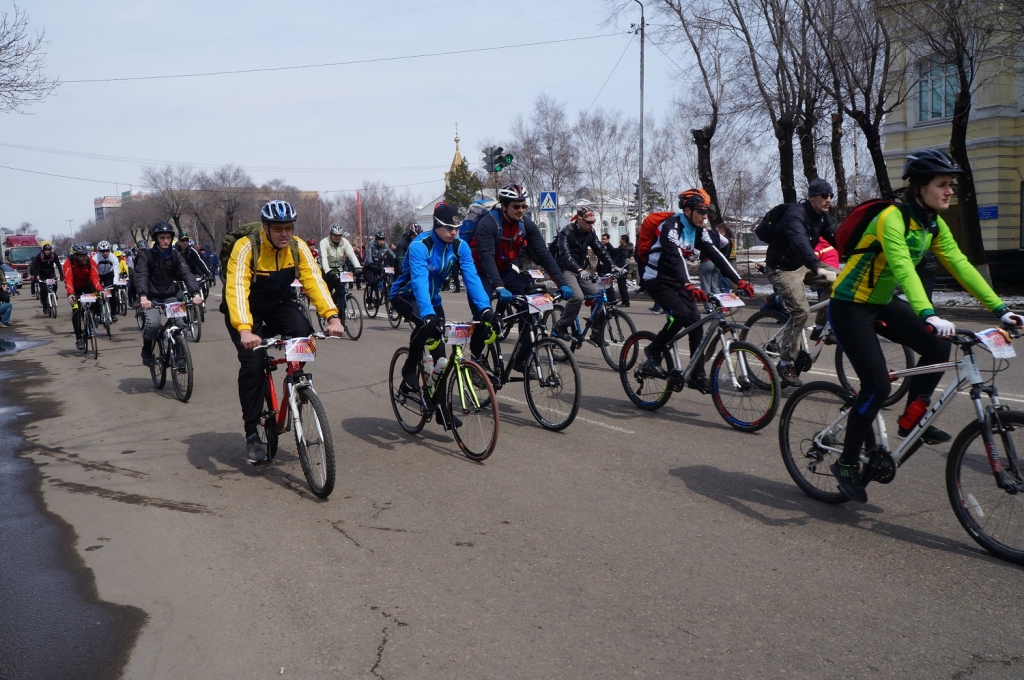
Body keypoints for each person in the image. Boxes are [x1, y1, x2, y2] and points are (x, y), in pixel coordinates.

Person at [828, 150, 1024, 503]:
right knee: (875, 386)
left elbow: (961, 266)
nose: (950, 191)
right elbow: (903, 267)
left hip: (880, 301)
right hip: (850, 305)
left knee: (937, 346)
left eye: (951, 184)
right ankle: (844, 462)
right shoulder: (893, 218)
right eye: (943, 184)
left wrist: (1000, 309)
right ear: (920, 188)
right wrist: (928, 313)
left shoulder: (932, 223)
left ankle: (911, 417)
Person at [223, 200, 343, 465]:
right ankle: (252, 431)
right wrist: (244, 329)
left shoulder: (298, 248)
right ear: (265, 228)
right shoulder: (246, 248)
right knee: (253, 366)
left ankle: (297, 382)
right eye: (278, 228)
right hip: (247, 313)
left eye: (288, 228)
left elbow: (314, 281)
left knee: (303, 332)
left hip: (279, 304)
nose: (284, 234)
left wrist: (332, 316)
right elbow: (236, 290)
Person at [639, 188, 755, 393]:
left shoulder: (700, 231)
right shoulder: (671, 226)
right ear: (687, 210)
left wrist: (739, 281)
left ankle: (697, 375)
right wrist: (688, 284)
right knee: (681, 315)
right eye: (701, 212)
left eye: (707, 212)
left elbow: (716, 255)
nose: (705, 216)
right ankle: (653, 350)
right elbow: (674, 256)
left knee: (695, 320)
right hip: (657, 279)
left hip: (677, 280)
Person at [390, 203, 493, 398]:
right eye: (449, 228)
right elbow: (419, 281)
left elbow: (472, 278)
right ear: (436, 224)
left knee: (441, 360)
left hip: (433, 300)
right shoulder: (420, 246)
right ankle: (409, 368)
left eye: (457, 228)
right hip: (406, 295)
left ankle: (439, 407)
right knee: (425, 324)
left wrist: (486, 309)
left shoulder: (460, 246)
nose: (454, 232)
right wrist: (427, 314)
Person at [466, 184, 573, 366]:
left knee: (532, 304)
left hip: (505, 269)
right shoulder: (488, 223)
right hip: (480, 272)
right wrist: (499, 287)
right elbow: (486, 258)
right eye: (516, 206)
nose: (521, 210)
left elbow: (543, 254)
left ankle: (521, 358)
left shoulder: (525, 224)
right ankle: (476, 358)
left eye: (524, 206)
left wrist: (561, 283)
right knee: (483, 315)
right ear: (504, 205)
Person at [763, 178, 839, 388]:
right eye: (824, 196)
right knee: (801, 311)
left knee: (841, 281)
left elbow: (839, 237)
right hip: (782, 268)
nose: (829, 200)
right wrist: (817, 267)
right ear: (812, 197)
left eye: (831, 196)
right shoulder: (795, 214)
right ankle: (786, 362)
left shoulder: (823, 217)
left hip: (802, 265)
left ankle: (821, 327)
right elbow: (800, 243)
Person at [134, 223, 204, 367]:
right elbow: (141, 276)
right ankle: (147, 350)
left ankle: (180, 357)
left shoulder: (176, 255)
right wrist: (143, 296)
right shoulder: (146, 256)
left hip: (170, 295)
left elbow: (187, 274)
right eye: (162, 238)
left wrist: (195, 293)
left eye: (168, 238)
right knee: (154, 324)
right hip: (150, 297)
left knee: (180, 324)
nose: (165, 241)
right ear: (155, 239)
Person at [554, 209, 624, 337]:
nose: (591, 225)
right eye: (588, 222)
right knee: (577, 297)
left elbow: (600, 251)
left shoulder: (590, 232)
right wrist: (579, 270)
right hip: (566, 269)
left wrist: (613, 265)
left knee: (599, 297)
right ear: (579, 219)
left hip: (581, 270)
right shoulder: (566, 232)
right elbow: (565, 255)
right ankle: (561, 325)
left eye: (593, 222)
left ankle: (596, 332)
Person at [63, 244, 105, 350]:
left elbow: (95, 278)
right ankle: (78, 338)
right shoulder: (69, 263)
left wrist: (100, 290)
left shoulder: (91, 262)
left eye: (85, 255)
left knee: (98, 298)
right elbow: (68, 279)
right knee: (76, 310)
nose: (84, 258)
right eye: (81, 256)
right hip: (75, 288)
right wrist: (70, 294)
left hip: (88, 285)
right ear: (75, 256)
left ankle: (94, 316)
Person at [318, 223, 362, 304]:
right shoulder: (324, 242)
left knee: (341, 291)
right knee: (326, 294)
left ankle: (341, 312)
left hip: (338, 270)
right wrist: (328, 271)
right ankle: (322, 314)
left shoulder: (345, 242)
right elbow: (323, 257)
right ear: (331, 234)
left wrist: (358, 267)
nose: (337, 237)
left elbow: (352, 255)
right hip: (326, 271)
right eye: (335, 235)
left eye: (339, 235)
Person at [91, 240, 121, 322]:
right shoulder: (95, 258)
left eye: (107, 250)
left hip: (108, 275)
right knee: (96, 295)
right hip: (98, 275)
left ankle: (113, 314)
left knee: (112, 294)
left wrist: (115, 283)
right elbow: (93, 271)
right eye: (103, 251)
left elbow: (116, 271)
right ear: (99, 251)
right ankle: (98, 315)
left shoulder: (113, 258)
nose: (105, 253)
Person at [29, 243, 62, 314]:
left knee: (55, 283)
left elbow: (58, 265)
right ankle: (45, 306)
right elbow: (35, 267)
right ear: (43, 250)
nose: (48, 251)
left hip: (50, 272)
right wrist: (36, 278)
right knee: (43, 290)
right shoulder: (39, 256)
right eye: (46, 250)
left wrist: (61, 275)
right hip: (42, 273)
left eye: (49, 250)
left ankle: (54, 293)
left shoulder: (53, 255)